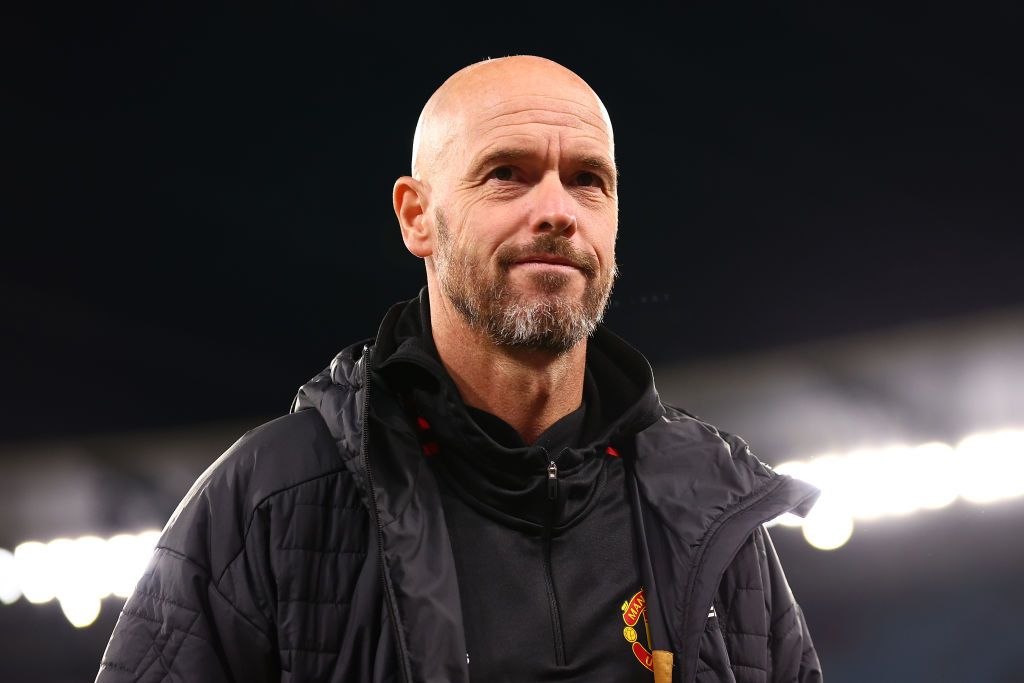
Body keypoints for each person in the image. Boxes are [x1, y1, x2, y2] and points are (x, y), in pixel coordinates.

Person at [96, 56, 822, 683]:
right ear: (418, 216)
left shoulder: (708, 514)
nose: (557, 210)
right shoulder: (272, 501)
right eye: (506, 174)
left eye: (587, 180)